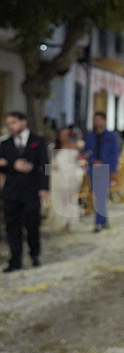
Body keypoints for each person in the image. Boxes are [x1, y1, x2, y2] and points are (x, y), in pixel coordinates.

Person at [0, 112, 50, 272]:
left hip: (31, 189)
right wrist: (13, 165)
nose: (11, 126)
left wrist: (44, 187)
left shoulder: (38, 141)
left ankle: (34, 254)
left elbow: (45, 165)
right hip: (11, 191)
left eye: (14, 122)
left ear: (23, 122)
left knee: (32, 225)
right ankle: (15, 260)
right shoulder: (5, 144)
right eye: (9, 123)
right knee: (12, 227)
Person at [81, 112, 120, 232]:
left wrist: (113, 170)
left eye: (99, 119)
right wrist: (92, 160)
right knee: (99, 195)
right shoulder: (90, 136)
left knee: (101, 195)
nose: (97, 122)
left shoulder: (111, 136)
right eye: (95, 120)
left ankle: (98, 222)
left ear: (104, 120)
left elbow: (114, 153)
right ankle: (103, 220)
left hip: (106, 168)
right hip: (94, 168)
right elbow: (85, 152)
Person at [49, 126, 85, 232]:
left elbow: (82, 159)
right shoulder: (53, 147)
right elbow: (49, 162)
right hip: (58, 176)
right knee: (59, 199)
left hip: (71, 175)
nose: (64, 137)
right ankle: (60, 221)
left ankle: (69, 222)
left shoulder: (75, 146)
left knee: (70, 199)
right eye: (62, 134)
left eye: (66, 134)